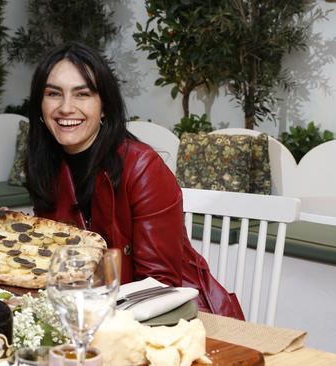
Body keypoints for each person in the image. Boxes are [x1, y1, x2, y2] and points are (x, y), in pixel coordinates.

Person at [24, 41, 244, 318]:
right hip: (91, 314)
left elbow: (158, 285)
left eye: (82, 94)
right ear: (40, 106)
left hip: (174, 318)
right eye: (54, 94)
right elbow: (52, 262)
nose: (66, 107)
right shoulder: (45, 165)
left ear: (104, 106)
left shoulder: (142, 166)